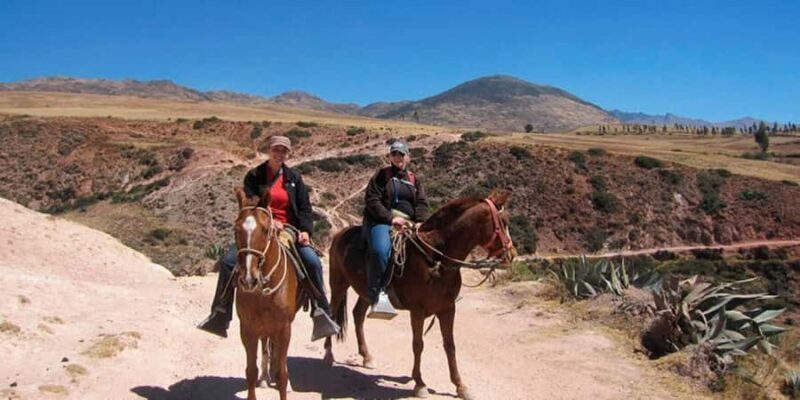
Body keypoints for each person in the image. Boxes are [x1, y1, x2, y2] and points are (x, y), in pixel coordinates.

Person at [197, 135, 340, 341]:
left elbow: (305, 208)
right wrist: (269, 221)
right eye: (276, 150)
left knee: (312, 261)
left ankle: (322, 312)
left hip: (288, 229)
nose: (279, 154)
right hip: (258, 228)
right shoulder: (254, 176)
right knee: (228, 262)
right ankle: (220, 313)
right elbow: (250, 204)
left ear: (287, 154)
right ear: (269, 150)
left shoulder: (294, 178)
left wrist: (306, 231)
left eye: (283, 151)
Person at [363, 140, 429, 319]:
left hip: (409, 224)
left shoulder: (414, 180)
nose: (398, 157)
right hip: (383, 221)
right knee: (380, 251)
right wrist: (391, 219)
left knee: (431, 247)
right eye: (394, 154)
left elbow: (421, 203)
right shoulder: (381, 176)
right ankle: (377, 293)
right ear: (390, 157)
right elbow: (372, 200)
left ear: (408, 157)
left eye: (401, 154)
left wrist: (420, 221)